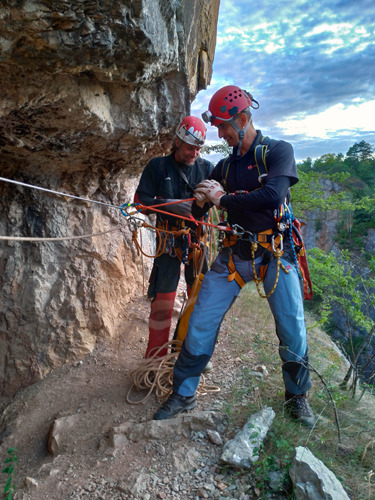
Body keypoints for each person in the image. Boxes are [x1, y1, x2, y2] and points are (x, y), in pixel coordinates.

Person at [153, 85, 315, 427]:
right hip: (235, 253)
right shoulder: (224, 168)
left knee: (292, 329)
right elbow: (199, 209)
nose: (221, 134)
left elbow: (273, 196)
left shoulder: (277, 152)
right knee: (200, 322)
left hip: (275, 252)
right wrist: (198, 202)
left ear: (242, 119)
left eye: (224, 127)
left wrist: (221, 200)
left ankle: (297, 397)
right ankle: (183, 393)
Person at [134, 116, 214, 359]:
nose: (194, 153)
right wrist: (169, 206)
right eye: (190, 147)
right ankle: (155, 358)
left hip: (197, 242)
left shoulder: (207, 169)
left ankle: (189, 353)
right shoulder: (158, 167)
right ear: (177, 142)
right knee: (163, 301)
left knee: (199, 299)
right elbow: (140, 203)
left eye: (198, 148)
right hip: (168, 242)